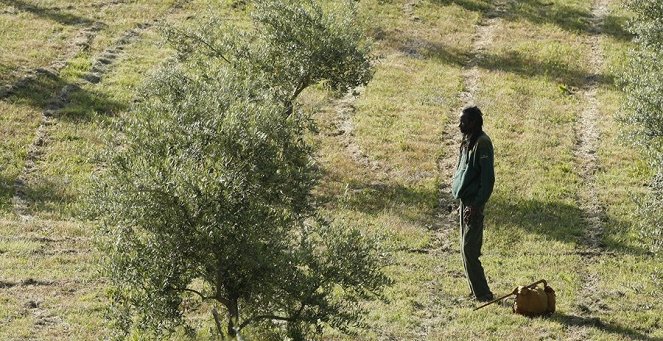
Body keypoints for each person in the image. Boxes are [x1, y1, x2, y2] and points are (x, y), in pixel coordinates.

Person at [451, 106, 495, 302]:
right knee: (464, 247)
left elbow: (488, 180)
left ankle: (483, 293)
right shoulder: (468, 140)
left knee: (470, 248)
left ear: (474, 122)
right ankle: (475, 290)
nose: (460, 124)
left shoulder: (483, 144)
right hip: (465, 201)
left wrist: (476, 205)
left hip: (474, 204)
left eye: (464, 121)